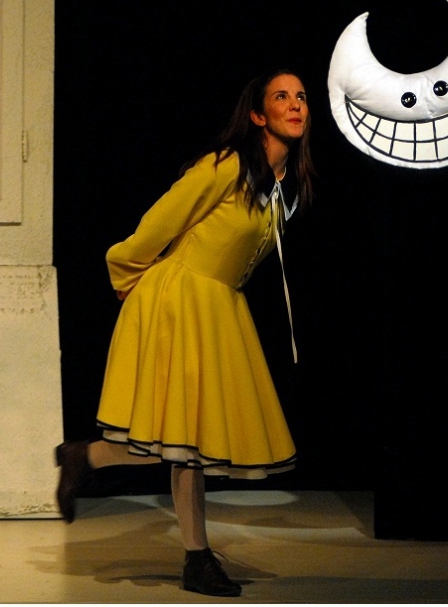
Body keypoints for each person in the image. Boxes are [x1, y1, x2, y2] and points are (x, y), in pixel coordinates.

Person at [55, 68, 315, 597]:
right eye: (281, 97)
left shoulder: (284, 186)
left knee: (184, 438)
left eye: (301, 97)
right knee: (186, 442)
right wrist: (127, 273)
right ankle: (197, 558)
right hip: (177, 300)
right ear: (257, 115)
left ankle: (86, 457)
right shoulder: (226, 166)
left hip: (217, 306)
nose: (295, 105)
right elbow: (161, 221)